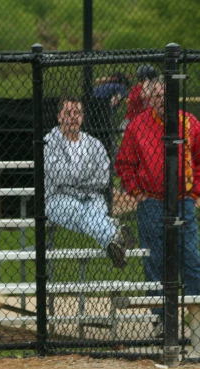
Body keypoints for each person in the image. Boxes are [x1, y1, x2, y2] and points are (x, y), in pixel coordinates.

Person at [115, 78, 200, 334]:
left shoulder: (190, 123)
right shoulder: (137, 126)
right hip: (150, 202)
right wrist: (136, 191)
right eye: (157, 96)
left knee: (192, 259)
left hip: (183, 202)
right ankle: (162, 320)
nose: (162, 101)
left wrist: (195, 192)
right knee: (155, 262)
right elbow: (124, 164)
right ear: (150, 100)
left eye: (167, 95)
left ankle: (196, 320)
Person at [45, 98, 129, 269]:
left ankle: (114, 241)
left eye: (77, 113)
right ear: (59, 117)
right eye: (68, 114)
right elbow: (58, 176)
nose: (73, 117)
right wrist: (87, 173)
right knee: (79, 210)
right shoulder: (50, 142)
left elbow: (104, 178)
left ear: (82, 116)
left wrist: (74, 176)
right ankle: (113, 235)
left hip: (92, 197)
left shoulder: (93, 144)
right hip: (57, 199)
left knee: (92, 211)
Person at [123, 65, 159, 129]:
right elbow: (145, 94)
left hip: (145, 121)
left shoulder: (151, 89)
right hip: (132, 121)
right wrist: (147, 82)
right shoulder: (136, 89)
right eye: (151, 79)